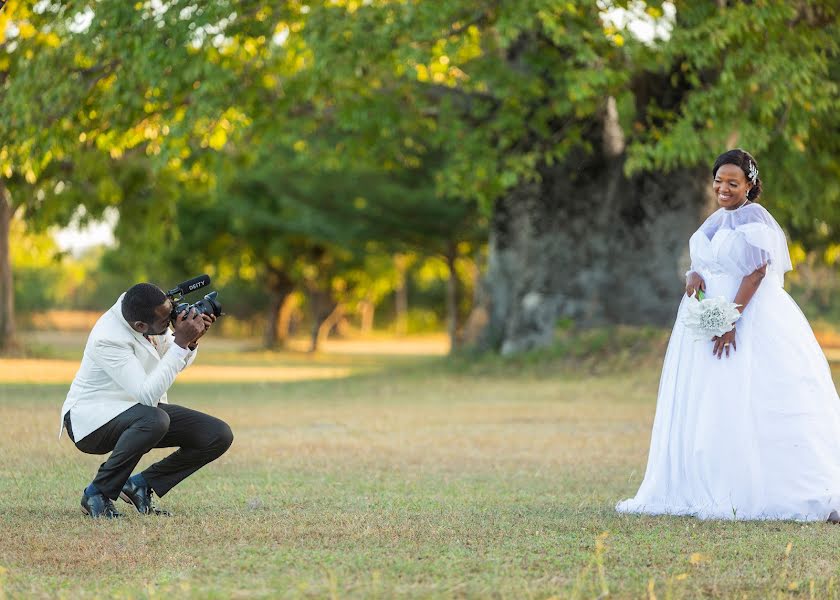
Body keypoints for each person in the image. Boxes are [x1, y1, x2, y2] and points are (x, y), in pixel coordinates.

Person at [616, 149, 840, 522]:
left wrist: (730, 321)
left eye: (732, 183)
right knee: (709, 400)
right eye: (718, 181)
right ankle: (708, 478)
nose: (723, 188)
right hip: (707, 317)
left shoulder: (754, 221)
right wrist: (693, 277)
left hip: (746, 318)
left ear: (750, 185)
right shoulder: (717, 221)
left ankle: (779, 487)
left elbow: (755, 274)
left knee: (752, 395)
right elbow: (702, 263)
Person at [59, 283, 234, 518]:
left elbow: (171, 360)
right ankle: (97, 493)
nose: (170, 321)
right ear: (140, 326)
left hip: (138, 411)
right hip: (91, 421)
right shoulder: (108, 338)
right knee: (155, 419)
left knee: (217, 434)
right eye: (166, 322)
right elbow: (148, 393)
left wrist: (190, 341)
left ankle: (140, 485)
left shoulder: (148, 312)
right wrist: (180, 343)